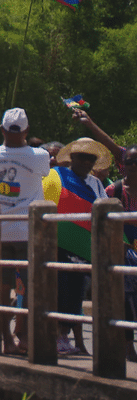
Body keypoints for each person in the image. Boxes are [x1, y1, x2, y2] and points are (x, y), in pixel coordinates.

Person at [0, 107, 50, 354]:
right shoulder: (40, 157)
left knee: (1, 288)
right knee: (31, 286)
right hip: (29, 231)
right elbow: (44, 174)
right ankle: (26, 337)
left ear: (2, 130)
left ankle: (7, 340)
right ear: (27, 131)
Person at [73, 109, 137, 360]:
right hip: (121, 252)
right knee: (124, 296)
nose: (130, 166)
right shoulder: (113, 191)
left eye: (135, 163)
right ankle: (126, 344)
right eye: (128, 162)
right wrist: (89, 124)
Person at [43, 138, 111, 354]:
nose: (86, 162)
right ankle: (56, 336)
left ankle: (65, 336)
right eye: (82, 157)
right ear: (72, 158)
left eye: (90, 158)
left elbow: (103, 211)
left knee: (76, 293)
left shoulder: (96, 184)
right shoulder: (55, 176)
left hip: (85, 245)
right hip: (58, 243)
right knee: (58, 290)